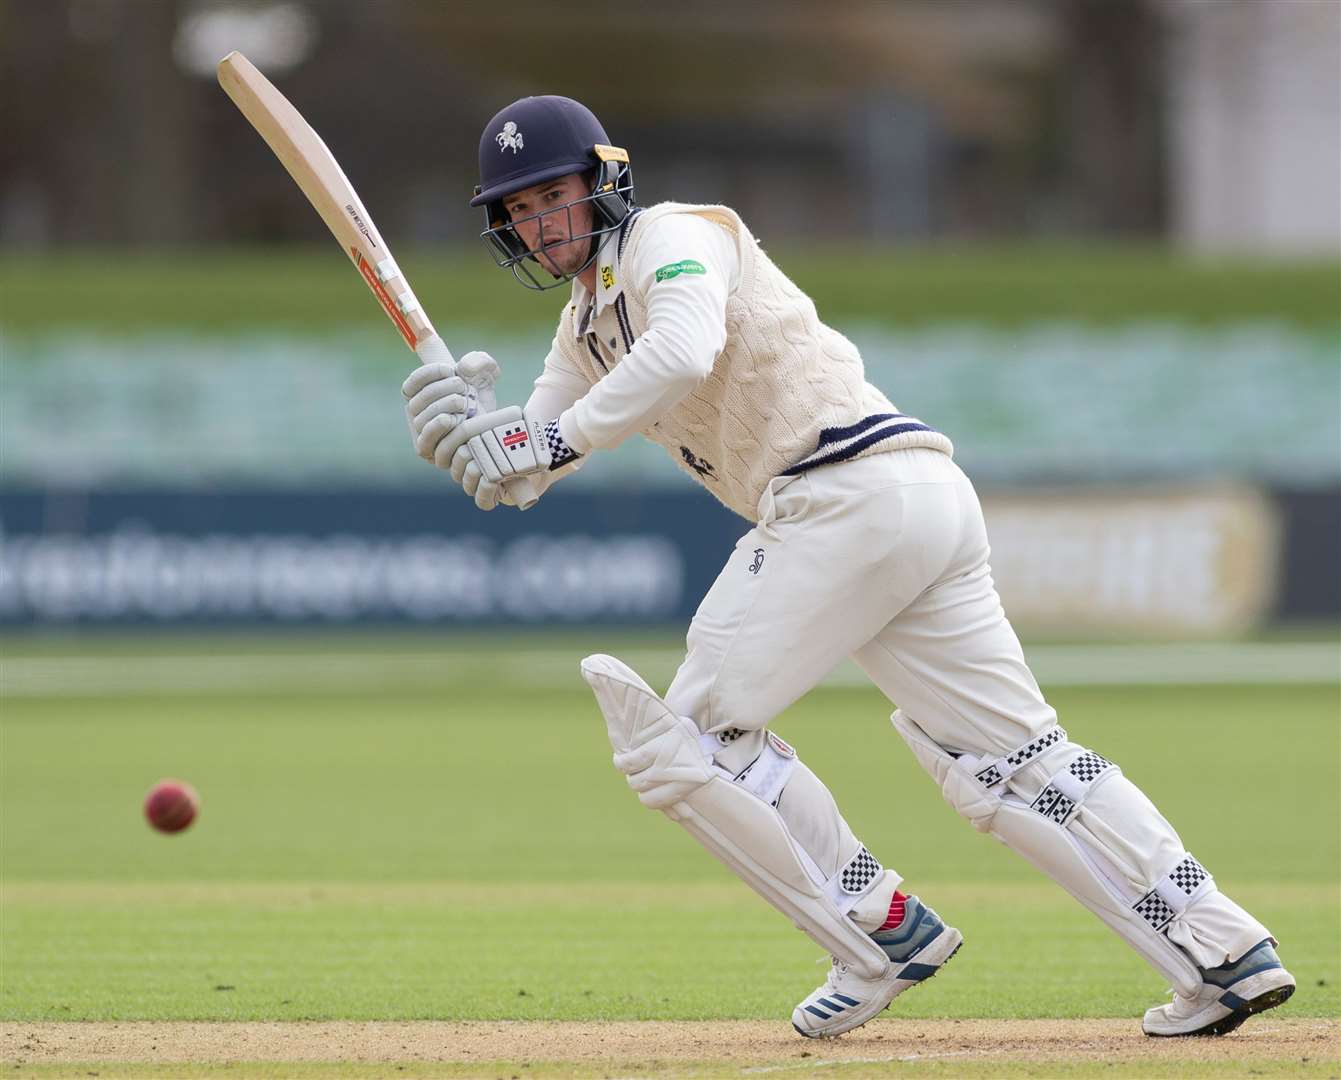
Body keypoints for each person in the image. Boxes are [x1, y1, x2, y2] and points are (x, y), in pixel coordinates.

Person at [400, 95, 1295, 1039]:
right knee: (1006, 764)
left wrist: (545, 434)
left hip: (845, 495)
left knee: (688, 744)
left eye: (553, 196)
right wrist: (479, 441)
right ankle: (1219, 951)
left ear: (603, 181)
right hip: (911, 501)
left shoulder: (673, 236)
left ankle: (880, 933)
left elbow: (681, 348)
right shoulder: (583, 325)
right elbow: (541, 453)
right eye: (521, 210)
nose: (541, 225)